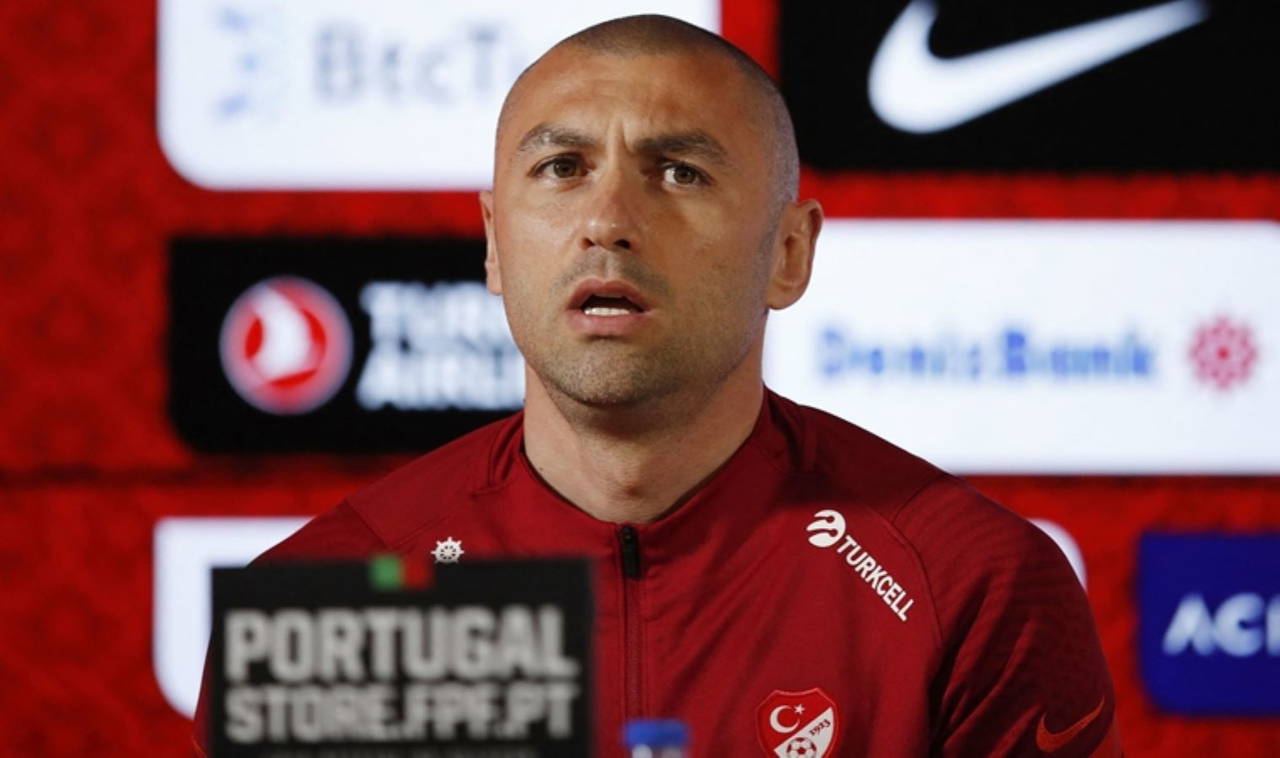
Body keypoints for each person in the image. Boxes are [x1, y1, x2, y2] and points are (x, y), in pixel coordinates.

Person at [195, 15, 1120, 758]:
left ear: (788, 253)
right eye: (562, 169)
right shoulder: (329, 600)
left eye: (679, 172)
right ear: (494, 244)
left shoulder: (973, 587)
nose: (607, 220)